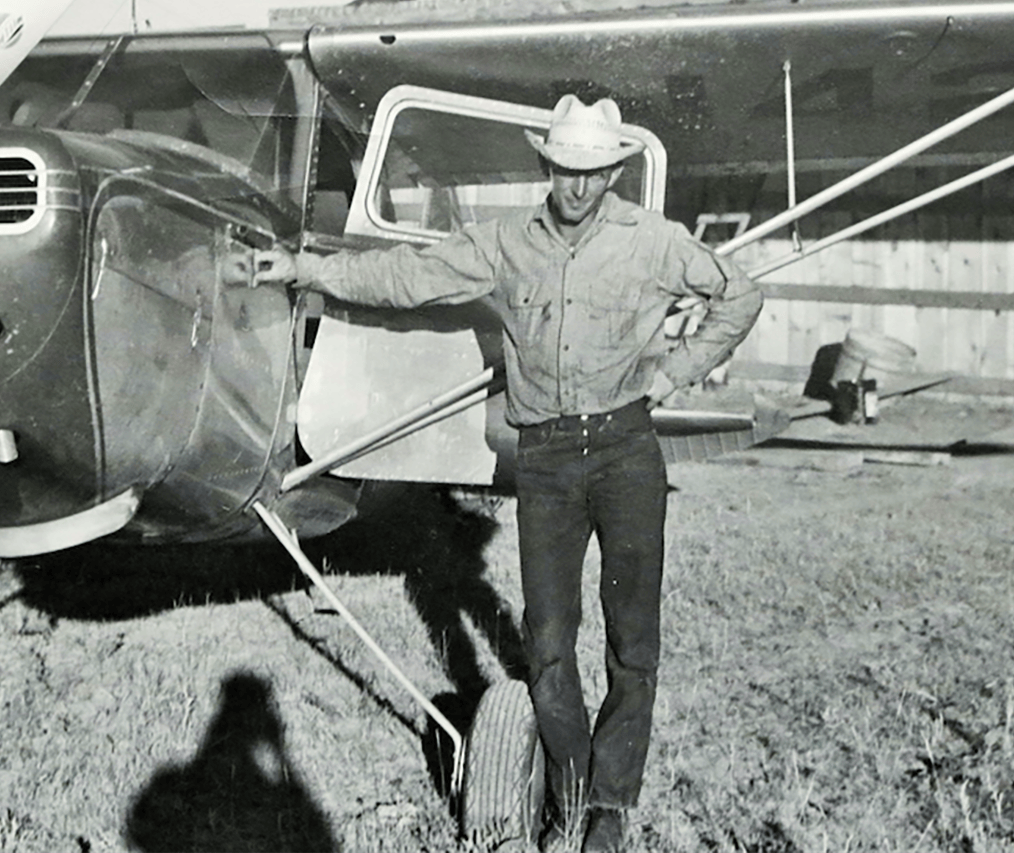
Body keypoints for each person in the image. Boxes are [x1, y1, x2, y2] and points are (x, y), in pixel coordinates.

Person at [235, 95, 762, 852]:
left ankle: (609, 807)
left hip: (625, 453)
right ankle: (569, 794)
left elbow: (739, 294)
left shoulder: (655, 242)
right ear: (545, 166)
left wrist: (679, 371)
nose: (578, 188)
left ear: (612, 172)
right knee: (547, 638)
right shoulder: (506, 241)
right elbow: (407, 275)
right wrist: (303, 268)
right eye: (565, 171)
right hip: (543, 457)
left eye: (593, 174)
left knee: (631, 640)